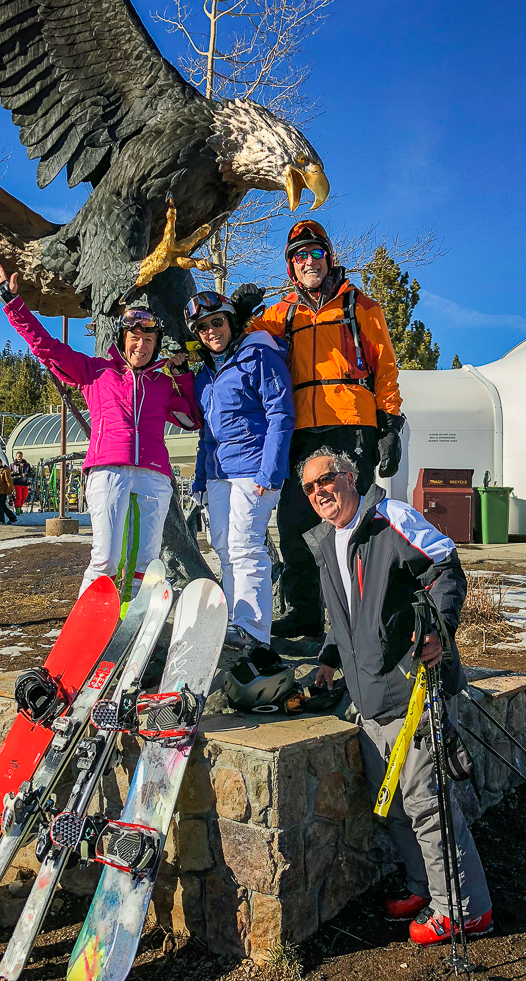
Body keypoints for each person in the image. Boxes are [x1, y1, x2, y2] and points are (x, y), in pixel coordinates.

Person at [301, 447, 492, 947]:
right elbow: (344, 614)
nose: (319, 491)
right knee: (397, 808)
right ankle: (425, 888)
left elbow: (446, 567)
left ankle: (465, 909)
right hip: (369, 701)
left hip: (414, 691)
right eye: (309, 487)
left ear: (350, 477)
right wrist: (329, 658)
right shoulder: (328, 541)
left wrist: (439, 630)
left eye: (326, 479)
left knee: (429, 806)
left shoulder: (390, 518)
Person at [0, 264, 202, 597]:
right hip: (108, 471)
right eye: (135, 338)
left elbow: (192, 419)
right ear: (123, 340)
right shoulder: (96, 372)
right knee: (105, 559)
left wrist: (183, 375)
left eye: (148, 339)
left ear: (156, 345)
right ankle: (92, 622)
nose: (141, 345)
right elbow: (47, 348)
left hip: (154, 477)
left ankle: (132, 621)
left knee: (146, 562)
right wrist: (14, 305)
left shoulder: (161, 384)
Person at [242, 220, 404, 639]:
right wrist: (241, 310)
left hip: (351, 426)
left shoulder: (360, 307)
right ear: (291, 267)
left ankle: (363, 619)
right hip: (302, 431)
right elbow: (236, 335)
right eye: (300, 256)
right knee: (296, 522)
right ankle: (306, 614)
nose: (309, 261)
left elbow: (385, 367)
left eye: (316, 253)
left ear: (329, 258)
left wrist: (389, 425)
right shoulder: (285, 312)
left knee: (354, 522)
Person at [187, 291, 294, 649]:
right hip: (218, 474)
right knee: (224, 548)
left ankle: (254, 630)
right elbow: (207, 433)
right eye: (203, 327)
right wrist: (200, 479)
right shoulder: (205, 376)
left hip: (253, 469)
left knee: (245, 546)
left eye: (217, 322)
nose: (211, 331)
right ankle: (235, 622)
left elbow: (281, 414)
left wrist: (271, 471)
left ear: (231, 322)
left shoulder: (258, 356)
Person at [0, 457, 17, 524]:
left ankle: (1, 520)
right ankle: (12, 518)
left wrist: (9, 492)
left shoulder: (4, 471)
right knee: (3, 506)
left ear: (0, 463)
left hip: (3, 491)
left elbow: (8, 482)